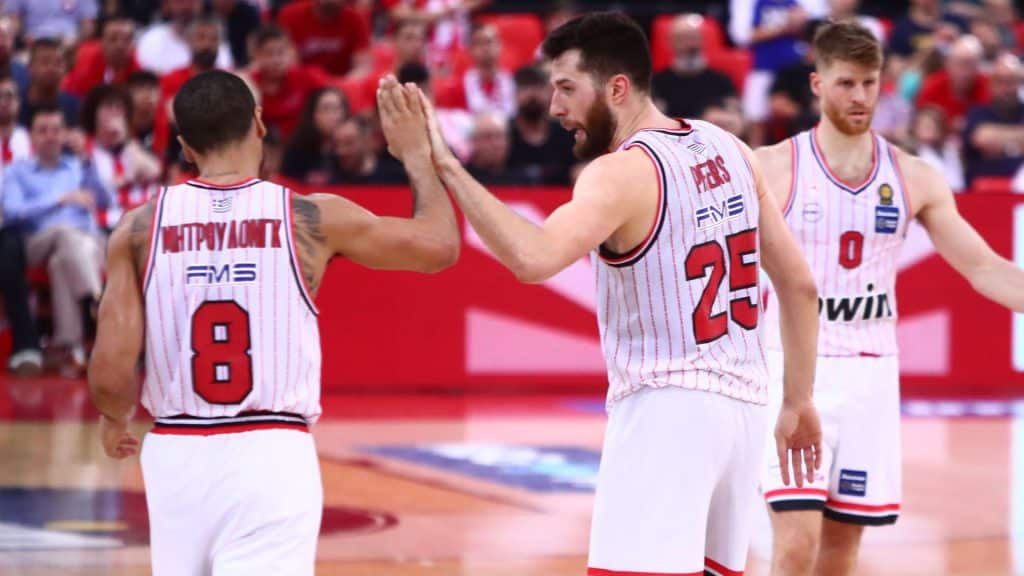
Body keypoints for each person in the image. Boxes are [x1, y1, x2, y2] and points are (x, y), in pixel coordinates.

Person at [380, 12, 822, 575]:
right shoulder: (730, 149)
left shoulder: (619, 173)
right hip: (745, 416)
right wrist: (798, 401)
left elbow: (534, 257)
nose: (555, 106)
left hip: (666, 411)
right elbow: (800, 287)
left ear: (617, 88)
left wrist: (444, 162)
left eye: (567, 88)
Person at [86, 69, 458, 575]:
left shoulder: (136, 228)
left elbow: (110, 373)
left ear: (185, 147)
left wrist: (113, 419)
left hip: (175, 452)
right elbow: (439, 248)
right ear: (259, 124)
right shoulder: (310, 216)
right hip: (271, 449)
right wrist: (418, 157)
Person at [754, 21, 1024, 576]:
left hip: (872, 377)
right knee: (795, 544)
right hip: (792, 374)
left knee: (840, 551)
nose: (859, 97)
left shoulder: (916, 177)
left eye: (870, 83)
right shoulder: (773, 166)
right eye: (846, 83)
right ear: (817, 84)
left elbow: (985, 269)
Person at [2, 107, 110, 374]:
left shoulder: (78, 166)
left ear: (65, 134)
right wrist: (58, 200)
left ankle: (72, 349)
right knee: (64, 232)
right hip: (37, 240)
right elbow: (13, 213)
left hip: (87, 243)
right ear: (32, 137)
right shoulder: (16, 171)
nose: (50, 136)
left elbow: (107, 201)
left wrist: (87, 161)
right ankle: (97, 300)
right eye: (43, 130)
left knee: (63, 260)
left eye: (56, 130)